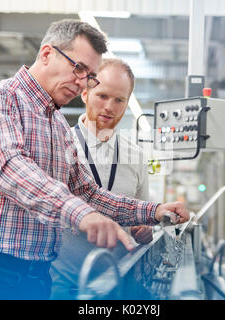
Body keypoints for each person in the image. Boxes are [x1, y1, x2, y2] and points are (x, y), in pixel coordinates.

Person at [0, 19, 189, 300]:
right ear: (47, 54)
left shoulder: (57, 124)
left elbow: (88, 193)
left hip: (38, 274)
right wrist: (83, 215)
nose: (80, 82)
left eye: (88, 75)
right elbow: (11, 168)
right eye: (78, 68)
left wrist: (153, 210)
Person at [50, 58, 153, 299]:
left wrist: (144, 229)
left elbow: (142, 214)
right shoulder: (58, 145)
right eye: (102, 96)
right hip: (62, 284)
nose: (109, 107)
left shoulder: (136, 157)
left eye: (119, 100)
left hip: (118, 283)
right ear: (85, 93)